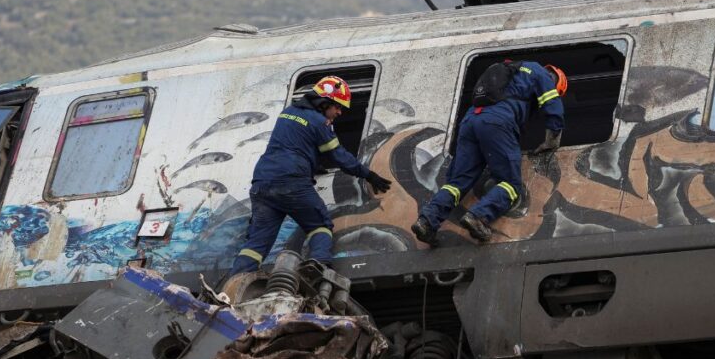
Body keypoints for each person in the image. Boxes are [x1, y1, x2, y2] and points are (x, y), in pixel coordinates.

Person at [229, 76, 392, 275]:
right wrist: (369, 175)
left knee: (257, 243)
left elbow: (294, 144)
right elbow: (339, 156)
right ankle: (319, 265)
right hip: (291, 182)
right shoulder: (319, 122)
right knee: (320, 225)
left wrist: (313, 162)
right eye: (338, 107)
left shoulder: (287, 113)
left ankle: (234, 283)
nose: (339, 112)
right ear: (324, 103)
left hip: (262, 182)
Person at [411, 61, 567, 245]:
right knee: (510, 184)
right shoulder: (541, 73)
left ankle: (427, 221)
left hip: (471, 120)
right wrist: (551, 141)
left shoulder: (511, 71)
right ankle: (477, 216)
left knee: (457, 183)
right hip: (498, 121)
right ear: (556, 81)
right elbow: (552, 106)